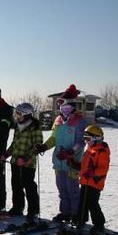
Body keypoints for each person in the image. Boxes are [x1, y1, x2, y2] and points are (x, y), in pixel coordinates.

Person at [37, 84, 86, 224]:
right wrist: (44, 147)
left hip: (72, 162)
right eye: (59, 104)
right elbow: (54, 138)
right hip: (59, 161)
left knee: (73, 190)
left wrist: (70, 152)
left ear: (70, 105)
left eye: (62, 103)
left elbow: (80, 141)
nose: (60, 107)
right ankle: (65, 213)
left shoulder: (79, 121)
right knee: (62, 189)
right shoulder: (58, 120)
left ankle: (76, 215)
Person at [2, 103, 43, 224]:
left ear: (26, 114)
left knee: (29, 185)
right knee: (16, 185)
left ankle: (33, 210)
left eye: (19, 113)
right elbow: (14, 143)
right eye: (16, 113)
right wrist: (6, 154)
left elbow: (37, 145)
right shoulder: (18, 126)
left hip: (28, 163)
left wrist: (25, 158)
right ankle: (17, 207)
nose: (17, 116)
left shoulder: (35, 126)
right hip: (15, 161)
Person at [75, 125, 110, 235]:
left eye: (88, 139)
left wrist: (93, 173)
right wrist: (74, 164)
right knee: (82, 201)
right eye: (85, 138)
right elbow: (84, 166)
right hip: (85, 181)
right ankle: (81, 219)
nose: (86, 141)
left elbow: (103, 168)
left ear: (96, 138)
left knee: (92, 203)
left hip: (95, 182)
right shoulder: (90, 150)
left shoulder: (101, 151)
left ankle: (99, 224)